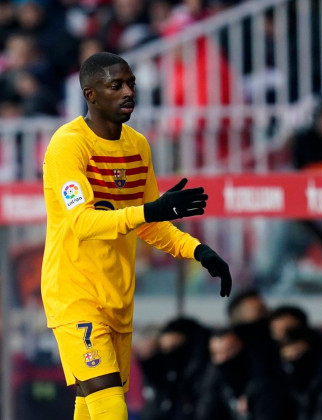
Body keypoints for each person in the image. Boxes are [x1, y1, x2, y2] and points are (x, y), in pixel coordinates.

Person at [41, 52, 232, 420]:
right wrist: (152, 210)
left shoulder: (137, 145)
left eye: (131, 84)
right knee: (109, 397)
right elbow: (82, 222)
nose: (129, 92)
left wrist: (199, 250)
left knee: (90, 398)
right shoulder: (68, 145)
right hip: (74, 293)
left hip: (117, 294)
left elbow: (147, 222)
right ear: (90, 94)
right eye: (116, 86)